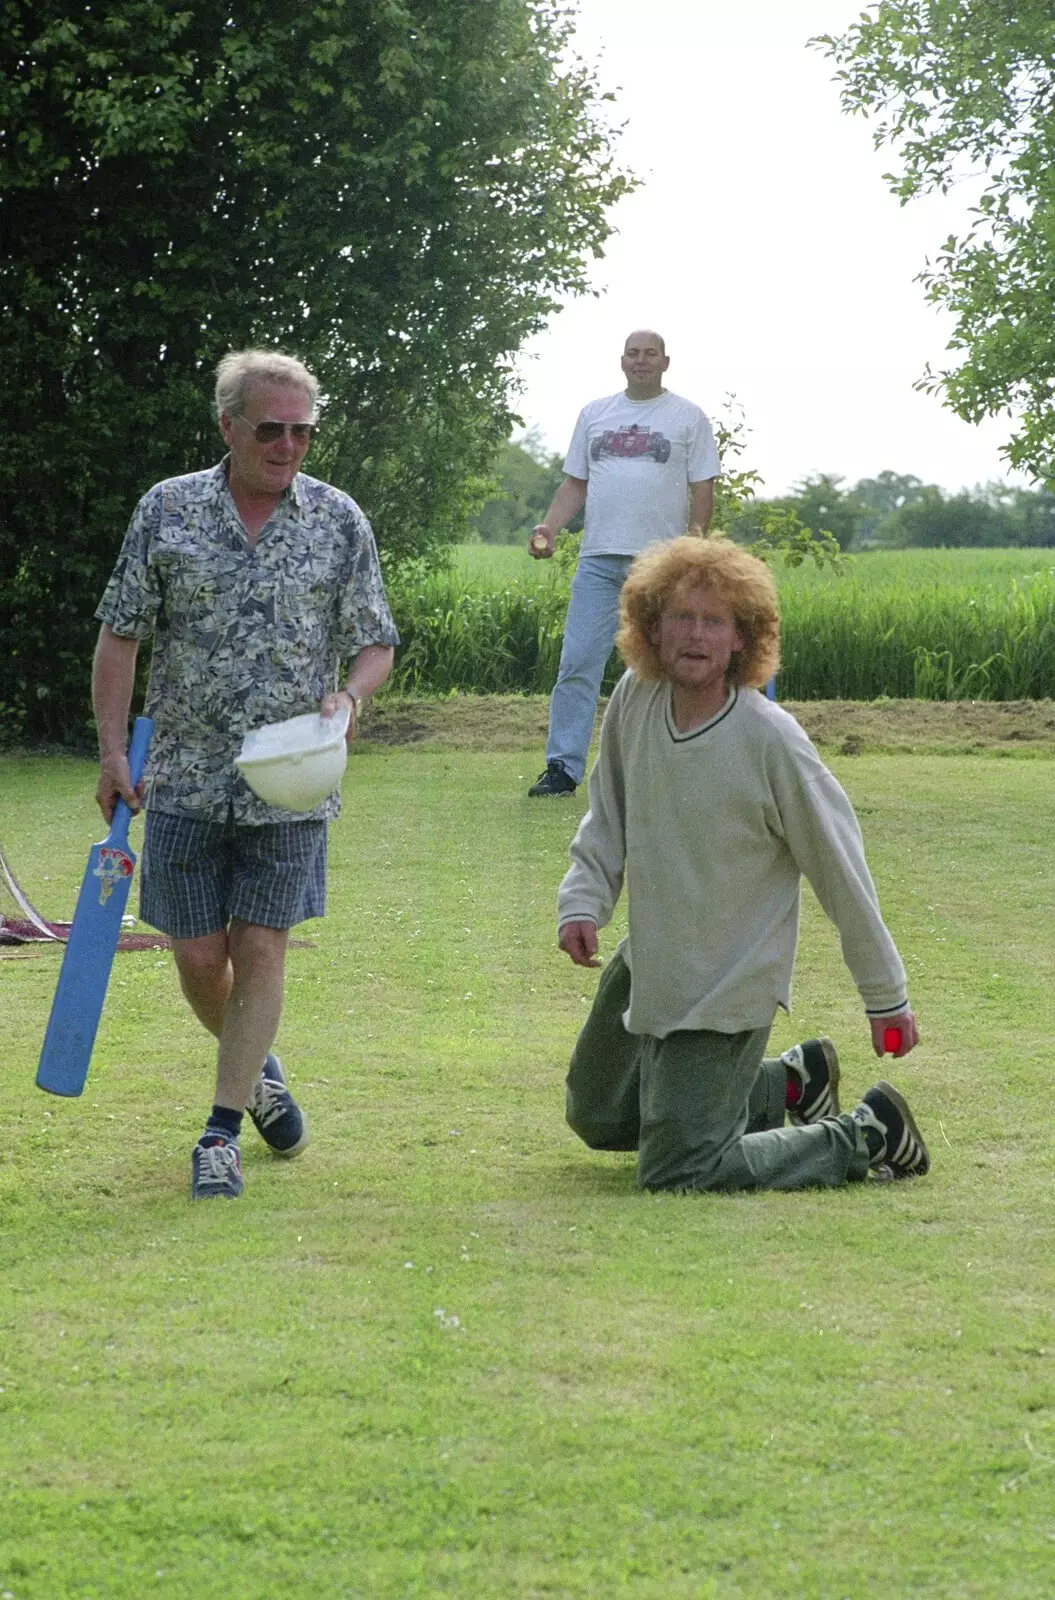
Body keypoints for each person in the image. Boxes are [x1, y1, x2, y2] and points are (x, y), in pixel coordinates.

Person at [92, 349, 399, 1201]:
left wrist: (349, 697)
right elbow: (121, 634)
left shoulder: (338, 521)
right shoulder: (168, 510)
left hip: (293, 780)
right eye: (272, 428)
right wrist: (115, 753)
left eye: (303, 430)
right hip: (185, 776)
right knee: (198, 956)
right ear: (227, 425)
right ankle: (256, 1070)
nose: (289, 445)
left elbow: (377, 638)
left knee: (261, 945)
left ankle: (219, 1132)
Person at [556, 535, 929, 1191]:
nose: (695, 635)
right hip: (650, 960)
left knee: (679, 1168)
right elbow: (607, 811)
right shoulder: (633, 703)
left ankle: (869, 1133)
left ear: (740, 639)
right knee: (597, 1117)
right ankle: (793, 1081)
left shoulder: (770, 741)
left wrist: (885, 998)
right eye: (680, 616)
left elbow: (841, 873)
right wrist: (583, 900)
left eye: (714, 621)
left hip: (726, 984)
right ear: (651, 625)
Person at [527, 328, 721, 797]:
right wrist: (548, 528)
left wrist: (694, 549)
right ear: (621, 362)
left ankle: (665, 765)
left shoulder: (688, 417)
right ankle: (562, 768)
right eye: (633, 354)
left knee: (664, 665)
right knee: (578, 662)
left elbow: (703, 489)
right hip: (598, 561)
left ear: (665, 363)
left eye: (649, 354)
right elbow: (575, 484)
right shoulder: (595, 414)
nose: (641, 361)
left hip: (661, 565)